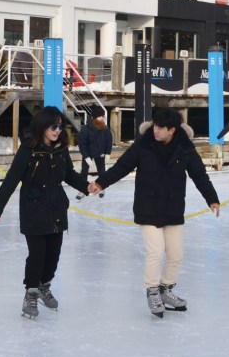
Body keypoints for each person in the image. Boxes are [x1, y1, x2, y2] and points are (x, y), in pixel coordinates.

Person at [89, 108, 220, 318]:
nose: (155, 131)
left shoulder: (185, 148)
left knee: (176, 254)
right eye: (154, 126)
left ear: (172, 130)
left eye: (160, 128)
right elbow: (122, 166)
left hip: (173, 207)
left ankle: (165, 289)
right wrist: (101, 182)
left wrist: (212, 198)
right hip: (147, 206)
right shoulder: (144, 145)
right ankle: (152, 291)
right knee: (156, 251)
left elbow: (199, 175)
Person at [0, 106, 91, 319]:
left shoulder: (61, 148)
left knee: (53, 256)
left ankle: (44, 286)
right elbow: (11, 179)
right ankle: (31, 293)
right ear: (43, 125)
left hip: (56, 209)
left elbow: (69, 174)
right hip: (33, 209)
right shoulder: (28, 149)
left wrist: (87, 186)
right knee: (37, 255)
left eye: (60, 126)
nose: (57, 130)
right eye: (53, 126)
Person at [75, 104, 113, 200]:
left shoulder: (105, 129)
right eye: (100, 116)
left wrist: (108, 153)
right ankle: (83, 189)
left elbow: (109, 141)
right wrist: (86, 156)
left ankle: (102, 186)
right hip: (88, 153)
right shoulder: (86, 129)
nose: (102, 118)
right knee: (84, 171)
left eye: (102, 116)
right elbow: (82, 143)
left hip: (100, 153)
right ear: (95, 117)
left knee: (101, 171)